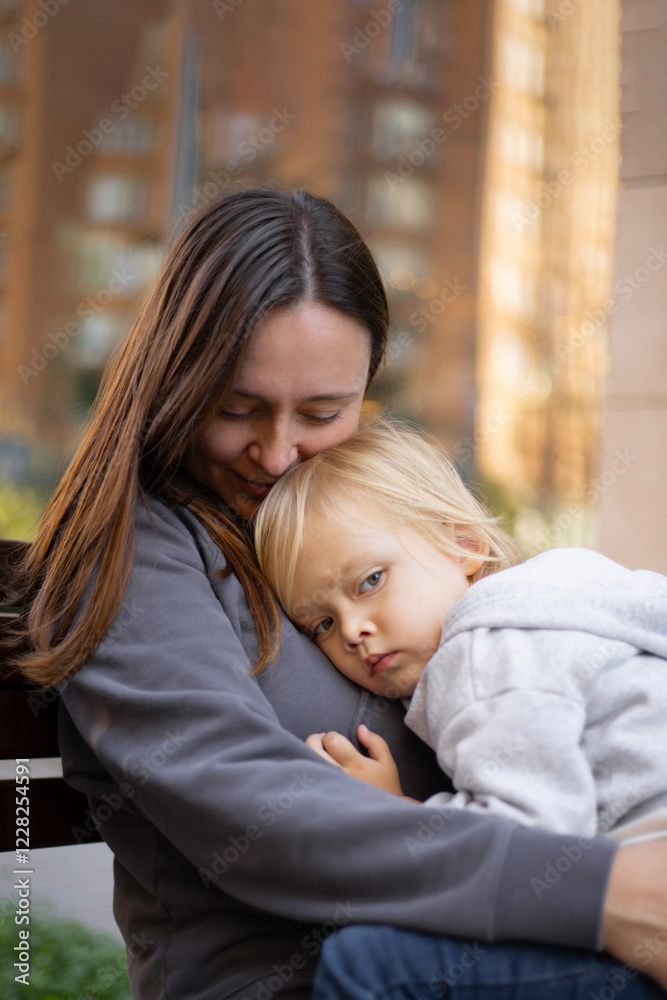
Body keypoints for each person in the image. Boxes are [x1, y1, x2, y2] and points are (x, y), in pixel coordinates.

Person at [8, 187, 667, 1000]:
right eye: (237, 409)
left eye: (323, 411)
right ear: (176, 379)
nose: (278, 453)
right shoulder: (139, 554)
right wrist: (604, 893)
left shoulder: (357, 525)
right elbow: (252, 812)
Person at [253, 418, 667, 846]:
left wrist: (393, 813)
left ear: (465, 544)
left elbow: (532, 841)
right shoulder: (558, 596)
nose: (352, 631)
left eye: (371, 581)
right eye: (323, 624)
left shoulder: (477, 653)